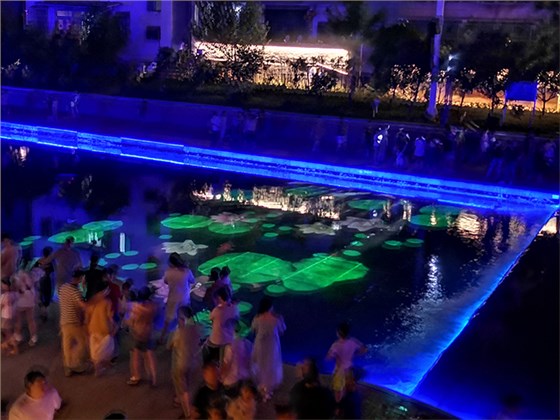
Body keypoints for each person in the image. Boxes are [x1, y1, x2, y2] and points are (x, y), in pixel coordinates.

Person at [168, 306, 202, 419]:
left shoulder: (179, 331)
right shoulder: (197, 328)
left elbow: (169, 345)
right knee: (190, 384)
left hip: (180, 363)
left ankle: (188, 413)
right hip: (194, 362)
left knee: (183, 389)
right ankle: (180, 401)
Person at [251, 296, 286, 401]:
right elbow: (282, 330)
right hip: (272, 345)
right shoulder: (276, 319)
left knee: (260, 364)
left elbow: (253, 329)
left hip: (260, 344)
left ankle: (261, 386)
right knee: (271, 364)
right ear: (270, 307)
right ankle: (268, 389)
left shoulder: (257, 318)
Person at [326, 321, 366, 402]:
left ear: (338, 332)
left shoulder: (336, 345)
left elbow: (328, 357)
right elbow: (364, 349)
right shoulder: (353, 341)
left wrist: (336, 357)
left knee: (337, 391)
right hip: (349, 369)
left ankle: (338, 406)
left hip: (339, 370)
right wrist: (354, 354)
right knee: (348, 390)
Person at [58, 269, 88, 377]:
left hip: (64, 321)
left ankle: (68, 367)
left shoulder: (63, 288)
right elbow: (83, 306)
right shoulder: (76, 292)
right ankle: (74, 364)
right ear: (80, 278)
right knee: (83, 343)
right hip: (74, 322)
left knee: (67, 345)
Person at [160, 253, 195, 343]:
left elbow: (166, 281)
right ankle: (182, 340)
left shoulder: (168, 272)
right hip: (184, 298)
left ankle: (162, 338)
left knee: (168, 319)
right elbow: (192, 280)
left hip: (173, 298)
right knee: (182, 319)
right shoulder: (186, 271)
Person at [127, 286, 158, 387]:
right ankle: (153, 377)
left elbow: (132, 321)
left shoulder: (136, 308)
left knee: (135, 355)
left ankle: (136, 376)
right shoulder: (153, 306)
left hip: (138, 333)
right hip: (149, 332)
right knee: (149, 355)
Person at [85, 287, 115, 376]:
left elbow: (87, 317)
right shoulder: (107, 302)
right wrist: (114, 326)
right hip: (104, 328)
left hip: (93, 328)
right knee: (105, 349)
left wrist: (86, 327)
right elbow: (110, 317)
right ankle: (101, 366)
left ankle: (97, 369)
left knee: (95, 350)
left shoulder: (91, 302)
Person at [206, 287, 239, 364]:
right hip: (229, 339)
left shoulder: (217, 310)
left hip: (217, 341)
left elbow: (210, 318)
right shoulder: (235, 309)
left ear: (219, 298)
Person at [221, 321, 252, 396]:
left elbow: (227, 365)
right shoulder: (248, 343)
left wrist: (221, 378)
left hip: (233, 381)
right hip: (246, 377)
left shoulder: (230, 346)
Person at [12, 270, 38, 347]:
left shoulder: (17, 276)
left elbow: (16, 288)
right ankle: (33, 338)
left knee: (18, 320)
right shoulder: (28, 275)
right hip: (30, 299)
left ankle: (18, 337)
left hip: (21, 300)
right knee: (31, 320)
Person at [34, 247, 54, 321]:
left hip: (40, 280)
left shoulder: (39, 261)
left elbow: (33, 269)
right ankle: (44, 313)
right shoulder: (51, 262)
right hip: (47, 281)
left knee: (41, 296)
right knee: (46, 296)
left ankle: (43, 312)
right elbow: (53, 271)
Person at [1, 278, 18, 355]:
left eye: (2, 285)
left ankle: (14, 348)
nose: (1, 286)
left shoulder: (4, 296)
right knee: (7, 332)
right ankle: (7, 345)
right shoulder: (13, 294)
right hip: (11, 315)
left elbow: (1, 306)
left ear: (6, 286)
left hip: (5, 316)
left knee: (7, 333)